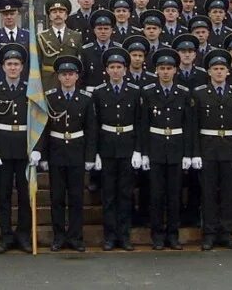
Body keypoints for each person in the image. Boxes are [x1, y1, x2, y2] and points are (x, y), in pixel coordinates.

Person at [0, 43, 40, 253]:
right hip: (3, 149)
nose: (13, 67)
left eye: (17, 64)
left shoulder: (31, 90)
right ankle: (6, 235)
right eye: (9, 64)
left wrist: (37, 148)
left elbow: (39, 121)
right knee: (4, 195)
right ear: (3, 66)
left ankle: (24, 235)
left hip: (25, 148)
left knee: (26, 195)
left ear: (23, 66)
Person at [191, 49, 232, 251]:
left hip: (230, 149)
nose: (219, 72)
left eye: (222, 69)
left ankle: (226, 233)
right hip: (208, 148)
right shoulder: (199, 94)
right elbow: (194, 126)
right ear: (209, 72)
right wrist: (195, 153)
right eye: (215, 69)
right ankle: (209, 233)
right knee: (208, 193)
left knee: (228, 193)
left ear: (228, 71)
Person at [40, 56, 96, 253]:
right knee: (56, 198)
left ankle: (75, 237)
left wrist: (90, 156)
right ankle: (58, 237)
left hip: (77, 151)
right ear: (58, 77)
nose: (67, 78)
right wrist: (44, 156)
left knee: (76, 197)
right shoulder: (50, 97)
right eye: (64, 74)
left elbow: (91, 130)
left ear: (77, 76)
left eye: (71, 74)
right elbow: (44, 129)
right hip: (56, 151)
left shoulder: (86, 98)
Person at [91, 46, 144, 251]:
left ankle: (124, 235)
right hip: (106, 147)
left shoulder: (134, 91)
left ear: (125, 69)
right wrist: (95, 152)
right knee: (109, 195)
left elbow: (140, 122)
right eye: (112, 67)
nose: (115, 71)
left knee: (125, 193)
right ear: (106, 70)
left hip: (127, 147)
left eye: (119, 67)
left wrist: (138, 150)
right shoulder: (99, 92)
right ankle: (110, 236)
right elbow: (94, 124)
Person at [141, 47, 193, 250]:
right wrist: (143, 152)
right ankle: (157, 235)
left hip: (176, 148)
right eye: (162, 68)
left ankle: (172, 234)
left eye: (169, 68)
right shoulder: (148, 93)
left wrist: (188, 153)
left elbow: (188, 126)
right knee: (156, 194)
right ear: (156, 71)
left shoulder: (183, 93)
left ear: (175, 71)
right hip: (155, 147)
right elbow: (143, 124)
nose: (165, 72)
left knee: (174, 194)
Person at [0, 0, 29, 87]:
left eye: (12, 14)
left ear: (17, 14)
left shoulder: (28, 36)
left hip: (24, 84)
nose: (9, 17)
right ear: (1, 16)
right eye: (5, 14)